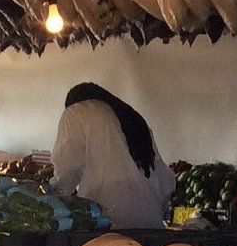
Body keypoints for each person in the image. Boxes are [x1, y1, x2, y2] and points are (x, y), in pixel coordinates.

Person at [51, 83, 175, 229]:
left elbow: (68, 165)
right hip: (149, 220)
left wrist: (52, 199)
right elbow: (165, 180)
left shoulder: (77, 111)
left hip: (106, 219)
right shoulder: (132, 119)